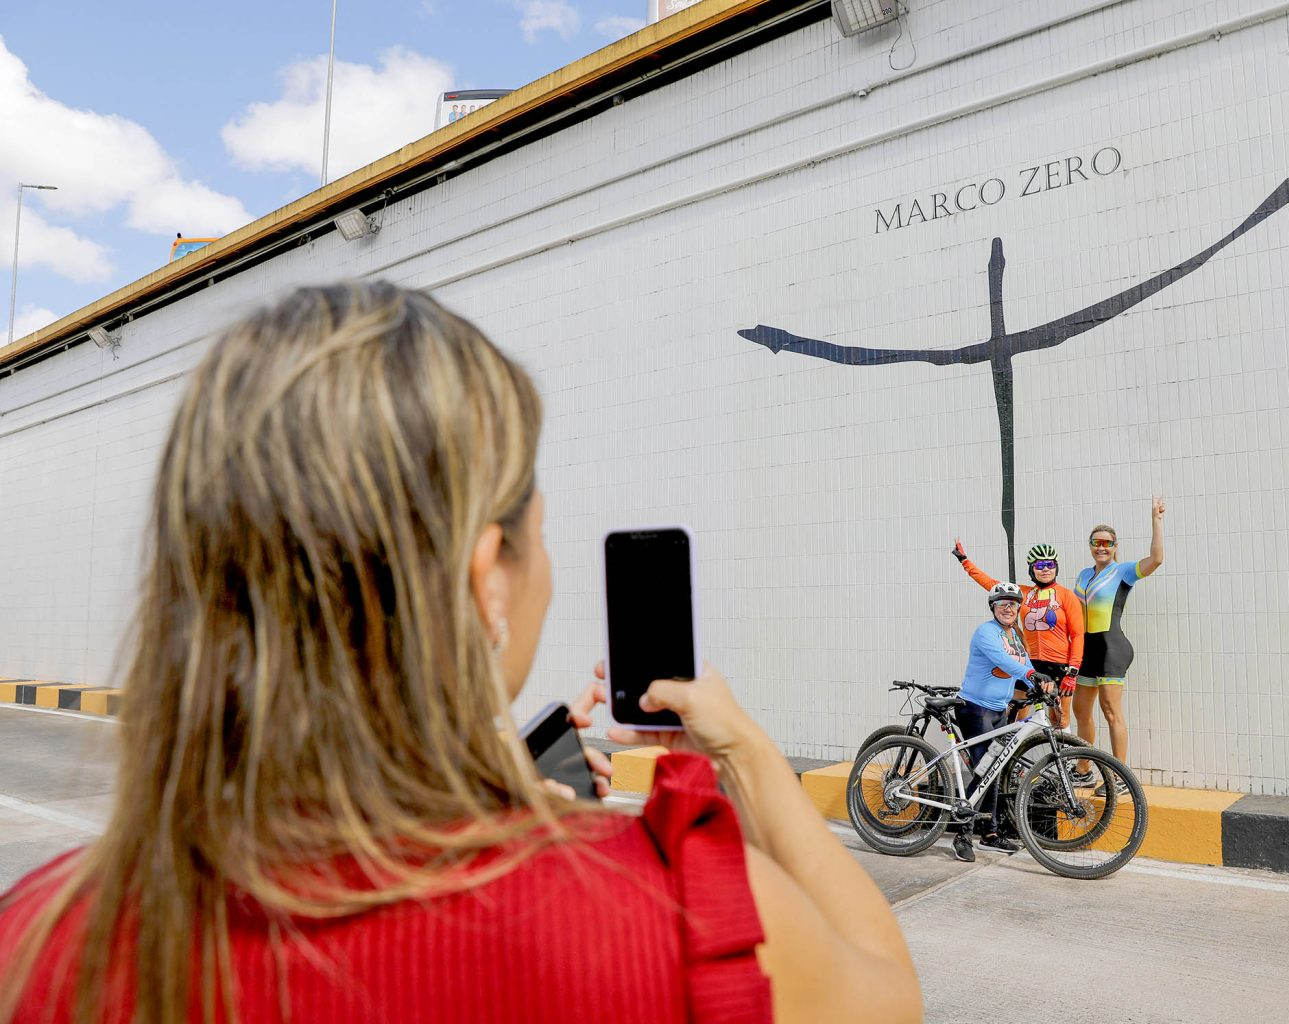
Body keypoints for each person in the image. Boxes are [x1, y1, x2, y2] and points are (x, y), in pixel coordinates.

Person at [0, 283, 919, 1024]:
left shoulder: (36, 941)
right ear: (488, 574)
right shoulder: (675, 916)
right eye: (538, 537)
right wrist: (744, 753)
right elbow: (885, 994)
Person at [1073, 499, 1165, 793]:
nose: (1102, 547)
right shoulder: (1084, 575)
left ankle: (1118, 776)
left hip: (1112, 647)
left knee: (1111, 711)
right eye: (1096, 542)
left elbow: (1156, 559)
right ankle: (1084, 769)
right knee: (1081, 710)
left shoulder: (1123, 571)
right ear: (1090, 545)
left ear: (1115, 546)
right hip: (1086, 649)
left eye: (1107, 543)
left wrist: (1156, 520)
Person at [952, 581, 1046, 863]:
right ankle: (962, 836)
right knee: (984, 771)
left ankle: (990, 834)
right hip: (975, 709)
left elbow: (1025, 665)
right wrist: (1031, 677)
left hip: (998, 710)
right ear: (993, 607)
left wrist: (1042, 682)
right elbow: (1004, 662)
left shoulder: (1015, 635)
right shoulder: (986, 632)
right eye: (1002, 603)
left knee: (997, 766)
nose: (1008, 607)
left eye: (1013, 603)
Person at [951, 539, 1084, 731]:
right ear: (1032, 569)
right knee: (1016, 715)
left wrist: (1072, 671)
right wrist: (965, 561)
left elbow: (1078, 635)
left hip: (1059, 665)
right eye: (1039, 565)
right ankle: (1010, 758)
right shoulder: (1023, 592)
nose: (1045, 569)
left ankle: (1064, 760)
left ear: (1056, 567)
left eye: (1050, 564)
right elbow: (990, 584)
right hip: (1028, 663)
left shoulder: (1066, 595)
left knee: (1060, 718)